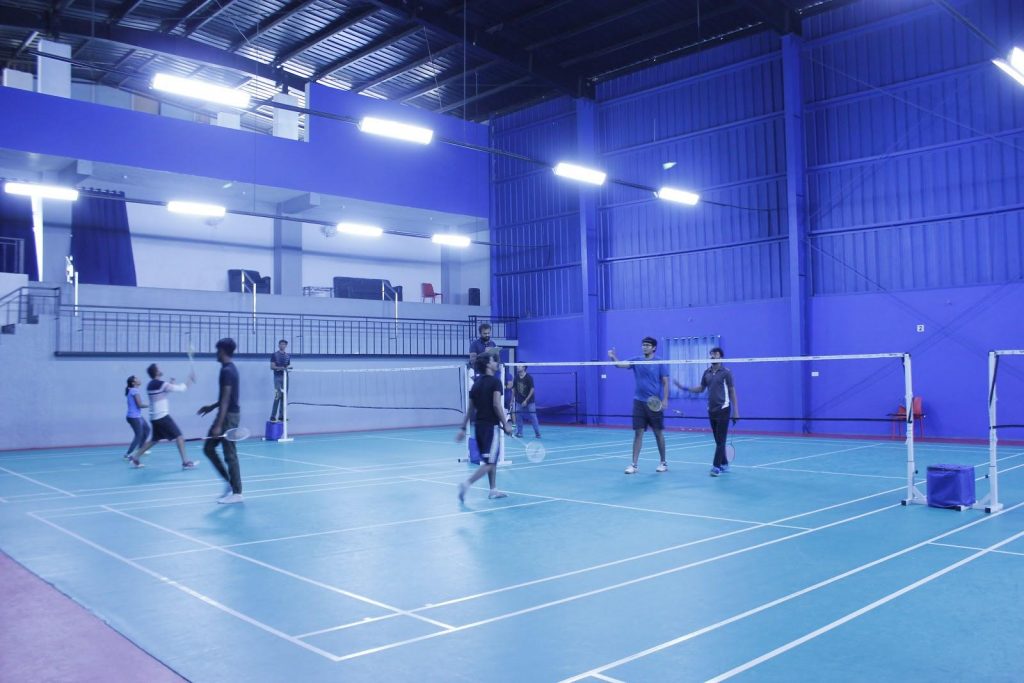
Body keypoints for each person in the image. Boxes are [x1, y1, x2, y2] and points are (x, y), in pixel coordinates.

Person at [456, 355, 514, 501]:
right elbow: (496, 404)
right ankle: (466, 484)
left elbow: (470, 409)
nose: (496, 362)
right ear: (488, 365)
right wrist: (506, 423)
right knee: (489, 462)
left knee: (491, 459)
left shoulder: (475, 385)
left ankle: (493, 490)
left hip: (479, 427)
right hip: (490, 428)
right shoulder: (495, 382)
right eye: (494, 360)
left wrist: (463, 428)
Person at [675, 347, 740, 477]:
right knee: (718, 440)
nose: (712, 356)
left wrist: (736, 411)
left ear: (721, 357)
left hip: (724, 408)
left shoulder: (726, 373)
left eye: (715, 354)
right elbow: (701, 388)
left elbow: (732, 391)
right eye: (711, 354)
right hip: (711, 410)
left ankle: (716, 467)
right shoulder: (707, 373)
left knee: (721, 439)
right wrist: (685, 388)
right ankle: (725, 463)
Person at [609, 336, 670, 474]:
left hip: (654, 403)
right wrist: (613, 357)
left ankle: (663, 462)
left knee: (658, 433)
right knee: (638, 433)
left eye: (648, 345)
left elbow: (665, 382)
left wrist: (665, 399)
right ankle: (634, 465)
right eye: (643, 345)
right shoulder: (636, 360)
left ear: (654, 347)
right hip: (639, 402)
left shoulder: (660, 362)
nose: (645, 347)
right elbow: (619, 365)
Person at [199, 338, 243, 504]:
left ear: (223, 351)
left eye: (217, 350)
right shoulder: (228, 369)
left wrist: (218, 424)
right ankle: (229, 483)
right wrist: (212, 406)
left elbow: (226, 399)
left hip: (228, 417)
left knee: (230, 453)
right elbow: (227, 397)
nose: (216, 353)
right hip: (227, 413)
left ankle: (237, 492)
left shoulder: (227, 371)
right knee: (209, 448)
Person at [129, 363, 197, 469]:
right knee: (179, 437)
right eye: (158, 369)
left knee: (154, 440)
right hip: (162, 417)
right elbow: (181, 389)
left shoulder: (150, 385)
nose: (160, 370)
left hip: (154, 418)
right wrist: (190, 379)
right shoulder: (161, 384)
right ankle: (185, 462)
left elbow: (161, 394)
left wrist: (170, 384)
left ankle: (135, 457)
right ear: (156, 372)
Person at [123, 375, 150, 460]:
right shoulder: (134, 390)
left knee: (147, 429)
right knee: (138, 435)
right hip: (133, 417)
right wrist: (151, 405)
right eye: (136, 379)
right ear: (133, 383)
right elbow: (140, 405)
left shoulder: (133, 390)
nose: (139, 379)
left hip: (136, 416)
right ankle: (128, 454)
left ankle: (141, 449)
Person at [512, 365, 541, 439]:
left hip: (530, 401)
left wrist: (526, 400)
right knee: (518, 416)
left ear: (524, 368)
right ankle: (520, 433)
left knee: (533, 416)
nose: (517, 367)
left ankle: (537, 433)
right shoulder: (516, 377)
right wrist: (512, 400)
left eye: (519, 366)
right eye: (517, 366)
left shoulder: (529, 377)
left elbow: (532, 389)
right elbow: (514, 389)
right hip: (519, 401)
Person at [269, 339, 291, 422]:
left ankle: (282, 416)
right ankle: (272, 416)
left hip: (286, 377)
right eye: (281, 344)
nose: (282, 345)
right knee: (277, 396)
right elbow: (272, 367)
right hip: (277, 378)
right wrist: (280, 368)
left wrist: (288, 368)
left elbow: (288, 366)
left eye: (284, 344)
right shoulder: (274, 355)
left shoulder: (288, 356)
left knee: (284, 397)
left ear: (286, 346)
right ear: (278, 345)